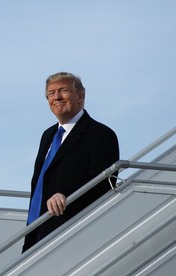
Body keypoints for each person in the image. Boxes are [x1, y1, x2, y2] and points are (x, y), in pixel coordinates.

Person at [22, 72, 119, 252]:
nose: (56, 97)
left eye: (63, 90)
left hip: (71, 234)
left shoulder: (101, 135)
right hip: (35, 233)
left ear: (80, 96)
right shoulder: (47, 135)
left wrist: (66, 195)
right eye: (51, 93)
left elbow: (104, 184)